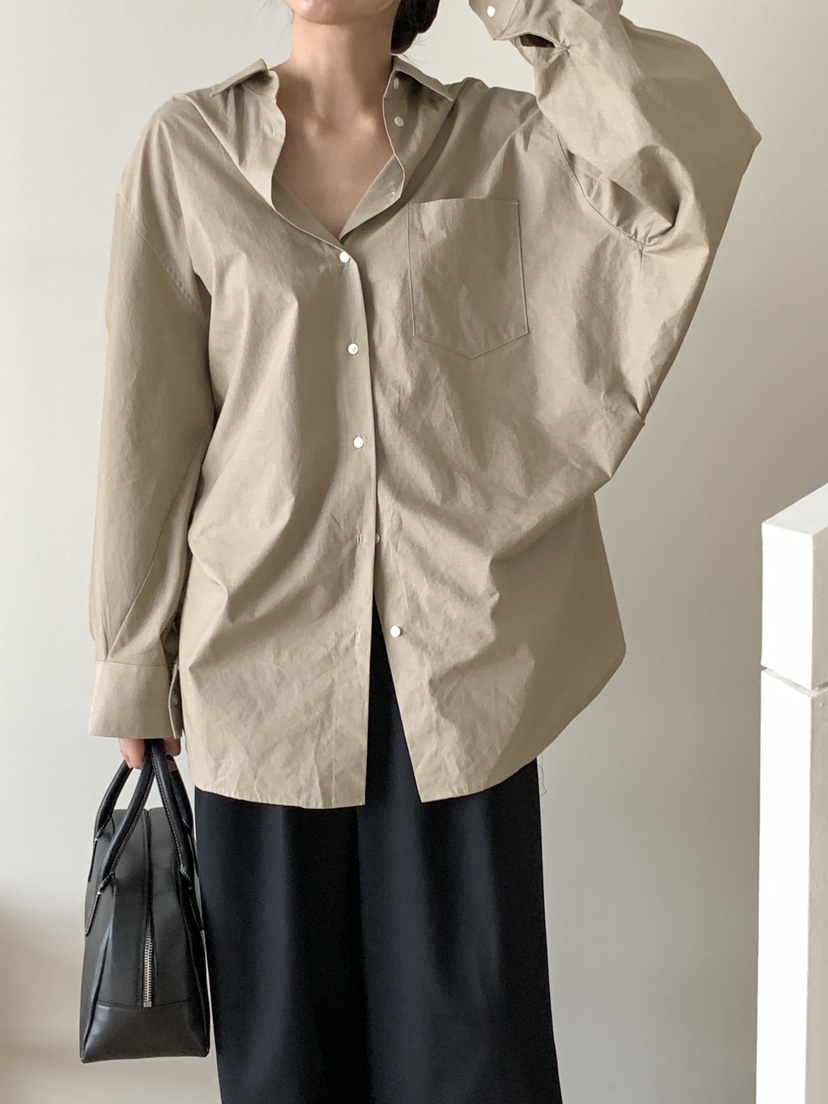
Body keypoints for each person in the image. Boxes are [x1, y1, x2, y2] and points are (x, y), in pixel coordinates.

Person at [86, 0, 761, 1100]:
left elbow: (683, 165)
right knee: (286, 1068)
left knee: (475, 1062)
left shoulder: (503, 145)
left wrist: (532, 7)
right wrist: (132, 660)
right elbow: (147, 425)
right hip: (258, 680)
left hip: (456, 682)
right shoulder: (187, 149)